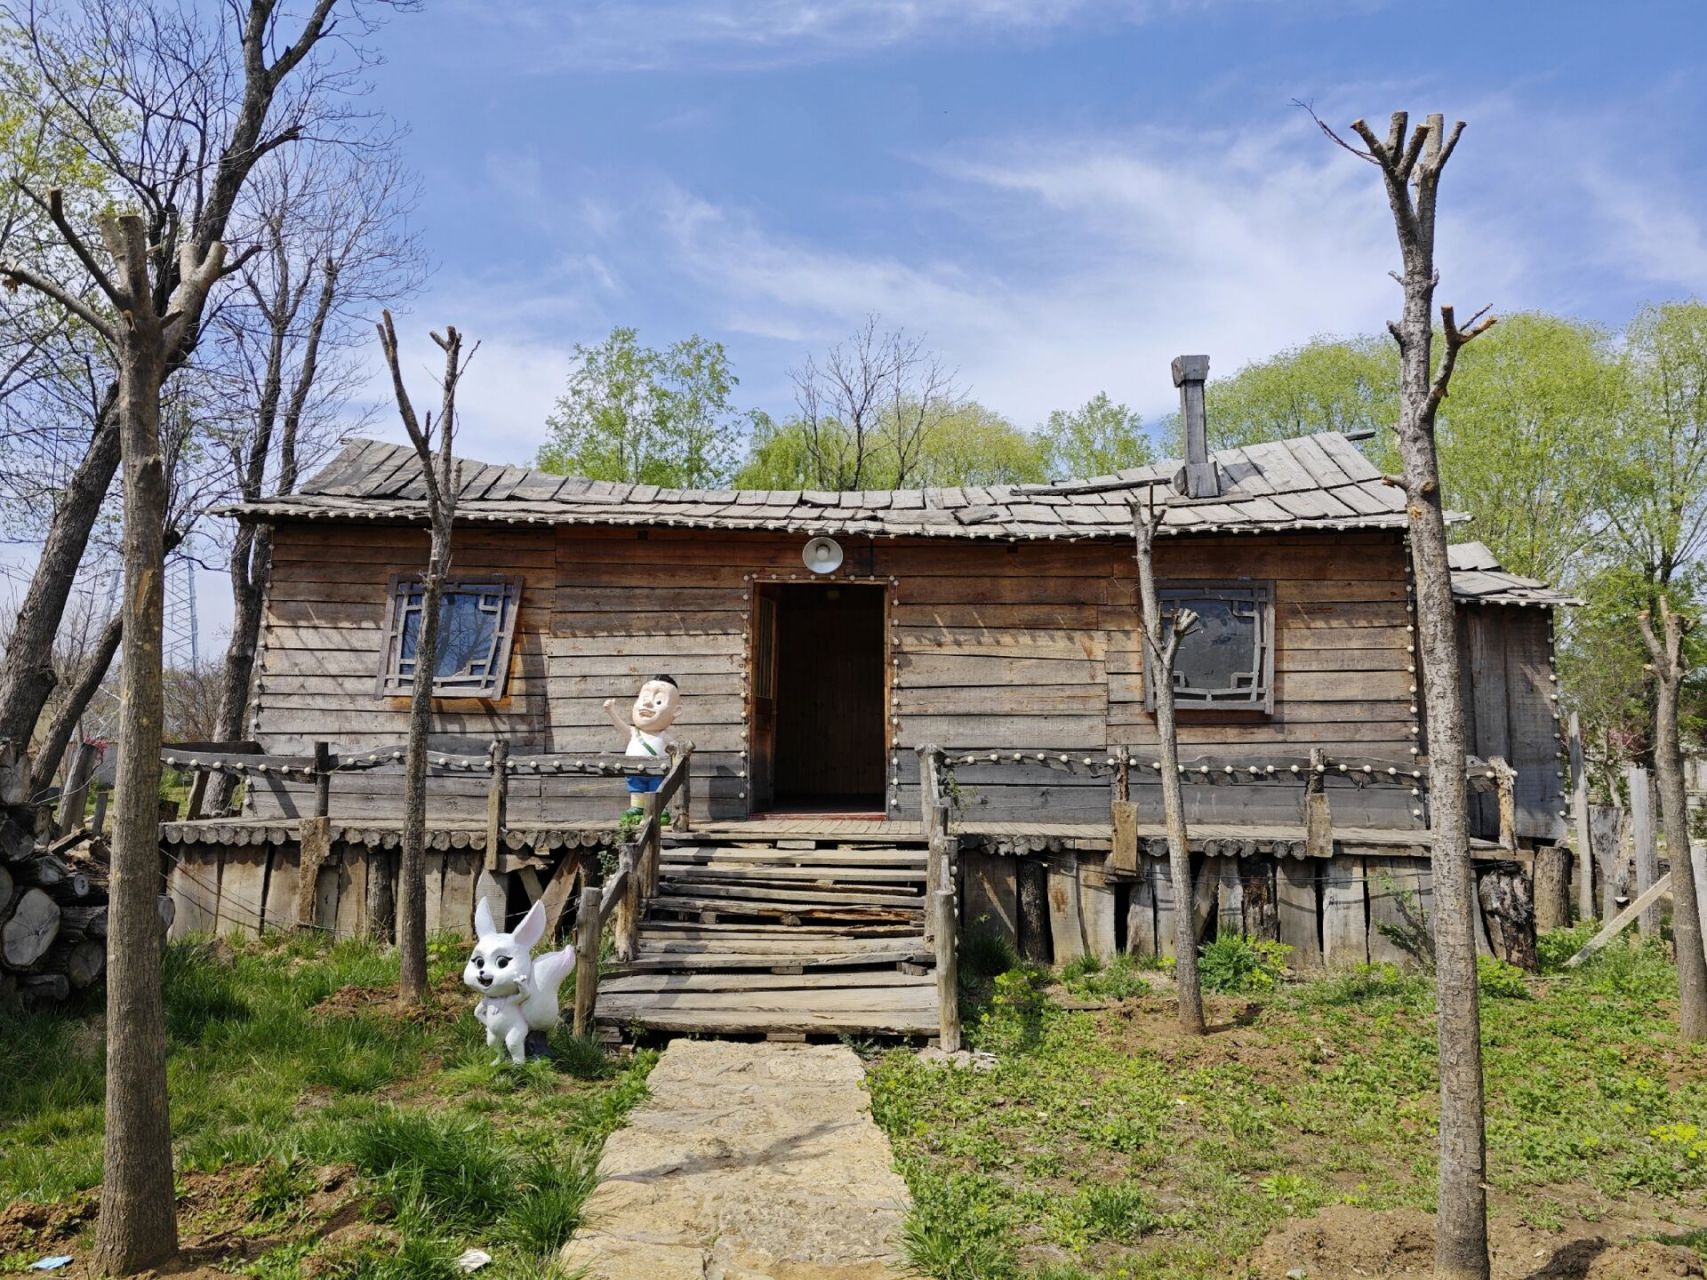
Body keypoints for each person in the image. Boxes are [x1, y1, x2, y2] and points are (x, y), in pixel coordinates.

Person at [603, 675, 680, 821]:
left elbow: (676, 749)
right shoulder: (634, 732)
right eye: (644, 698)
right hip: (633, 771)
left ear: (676, 711)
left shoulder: (663, 736)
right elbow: (620, 726)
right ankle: (637, 809)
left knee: (656, 788)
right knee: (636, 788)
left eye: (658, 701)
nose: (648, 704)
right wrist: (611, 711)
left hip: (657, 771)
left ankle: (658, 808)